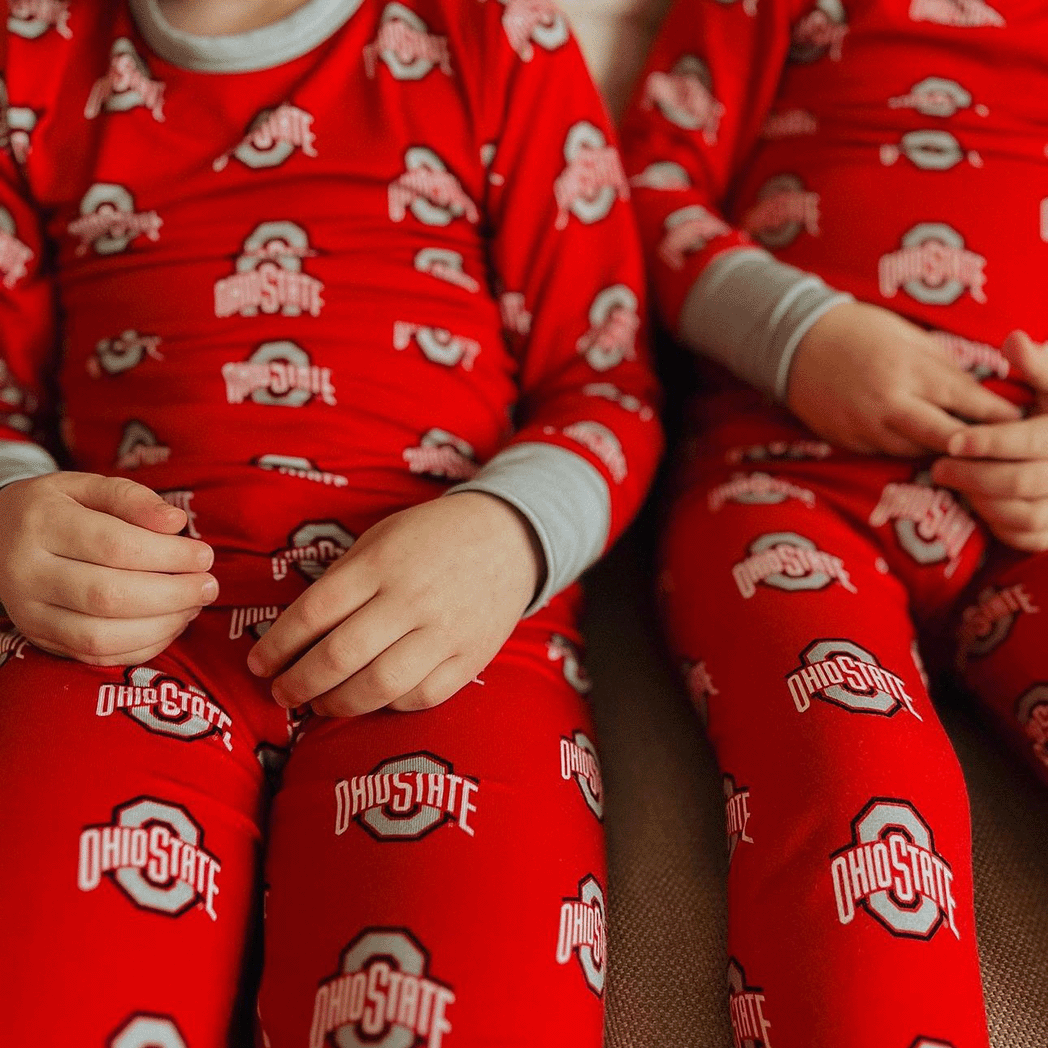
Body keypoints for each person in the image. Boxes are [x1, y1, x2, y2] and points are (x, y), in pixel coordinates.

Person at [0, 2, 663, 1045]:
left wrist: (506, 535)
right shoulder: (27, 48)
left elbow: (606, 381)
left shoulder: (492, 33)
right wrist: (8, 512)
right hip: (115, 623)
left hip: (451, 631)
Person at [619, 0, 1048, 1045]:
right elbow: (640, 184)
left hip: (1030, 508)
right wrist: (797, 333)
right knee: (852, 782)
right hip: (780, 482)